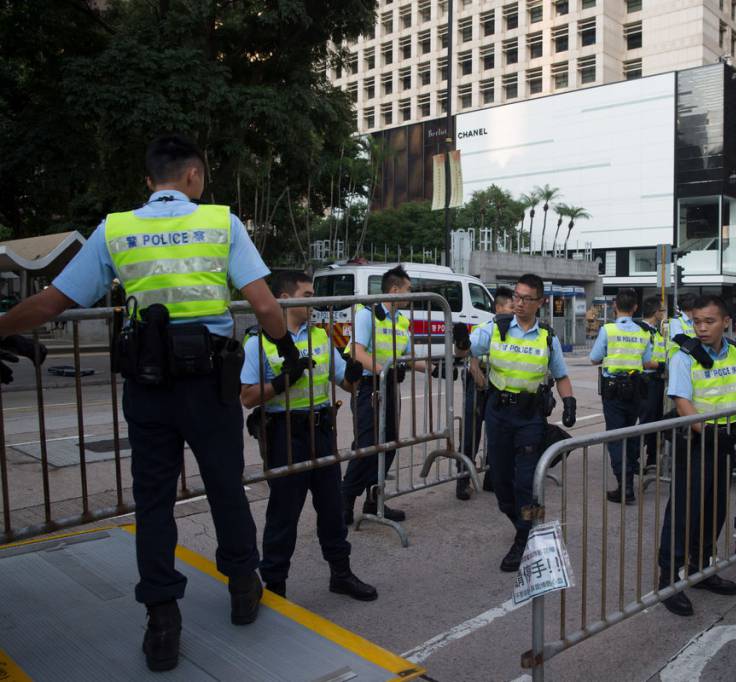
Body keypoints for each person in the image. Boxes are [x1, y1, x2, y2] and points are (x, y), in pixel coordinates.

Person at [0, 135, 296, 671]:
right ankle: (242, 591)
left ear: (148, 182)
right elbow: (265, 305)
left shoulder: (116, 229)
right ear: (194, 177)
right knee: (227, 487)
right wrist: (285, 348)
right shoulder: (221, 223)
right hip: (211, 384)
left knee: (154, 501)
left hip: (148, 384)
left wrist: (0, 327)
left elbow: (53, 301)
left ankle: (162, 623)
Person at [240, 271, 378, 602]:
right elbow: (246, 397)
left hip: (321, 431)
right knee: (284, 513)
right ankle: (275, 586)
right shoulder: (258, 343)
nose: (314, 301)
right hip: (286, 435)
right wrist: (280, 384)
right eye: (308, 295)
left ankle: (340, 573)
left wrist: (355, 375)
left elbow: (343, 382)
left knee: (331, 507)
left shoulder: (319, 336)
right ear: (284, 300)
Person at [459, 273, 576, 572]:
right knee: (501, 484)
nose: (519, 303)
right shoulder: (496, 328)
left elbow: (561, 375)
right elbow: (467, 348)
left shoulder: (547, 337)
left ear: (540, 302)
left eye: (526, 298)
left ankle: (524, 537)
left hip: (530, 419)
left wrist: (569, 402)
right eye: (516, 296)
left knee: (527, 482)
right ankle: (525, 524)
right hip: (498, 415)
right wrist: (461, 342)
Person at [658, 295, 736, 618]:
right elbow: (682, 401)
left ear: (725, 322)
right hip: (697, 444)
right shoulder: (685, 357)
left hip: (724, 443)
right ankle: (668, 578)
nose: (702, 328)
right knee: (684, 511)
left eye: (709, 321)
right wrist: (708, 433)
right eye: (697, 322)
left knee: (715, 509)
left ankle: (700, 568)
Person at [341, 265, 434, 525]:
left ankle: (375, 500)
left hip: (389, 386)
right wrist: (384, 371)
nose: (410, 293)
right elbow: (357, 352)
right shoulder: (366, 314)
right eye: (408, 289)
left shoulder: (401, 320)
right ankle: (345, 499)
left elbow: (407, 357)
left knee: (389, 443)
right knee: (367, 446)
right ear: (394, 290)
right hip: (368, 387)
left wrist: (434, 368)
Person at [589, 289, 654, 503]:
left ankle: (625, 487)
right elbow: (646, 361)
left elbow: (594, 358)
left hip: (614, 391)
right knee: (631, 432)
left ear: (615, 306)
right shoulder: (644, 332)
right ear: (635, 307)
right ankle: (631, 471)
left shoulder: (608, 330)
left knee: (615, 438)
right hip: (636, 389)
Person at [456, 285, 514, 500]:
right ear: (498, 307)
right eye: (511, 305)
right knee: (472, 433)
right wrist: (475, 368)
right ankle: (463, 480)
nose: (515, 309)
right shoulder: (486, 328)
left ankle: (492, 477)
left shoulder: (516, 330)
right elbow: (469, 351)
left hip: (500, 386)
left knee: (497, 434)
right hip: (480, 384)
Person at [637, 296, 668, 472]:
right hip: (646, 381)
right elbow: (643, 361)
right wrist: (663, 365)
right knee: (647, 421)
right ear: (656, 312)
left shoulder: (655, 331)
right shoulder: (643, 331)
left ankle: (651, 459)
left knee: (655, 421)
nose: (663, 314)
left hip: (655, 381)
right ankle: (634, 459)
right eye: (662, 310)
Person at [666, 293, 698, 361]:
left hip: (692, 359)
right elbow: (681, 341)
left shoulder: (694, 321)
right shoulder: (676, 321)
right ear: (693, 308)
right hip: (678, 361)